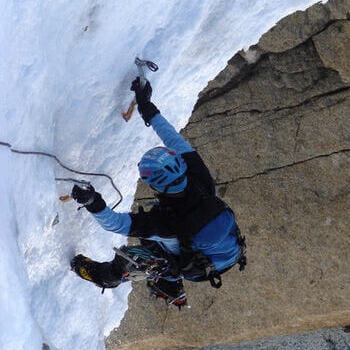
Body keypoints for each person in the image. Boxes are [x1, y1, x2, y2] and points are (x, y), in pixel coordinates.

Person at [70, 77, 246, 307]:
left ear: (156, 186)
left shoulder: (162, 223)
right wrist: (146, 106)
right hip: (228, 251)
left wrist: (93, 201)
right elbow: (172, 138)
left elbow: (115, 224)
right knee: (159, 242)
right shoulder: (201, 181)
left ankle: (109, 278)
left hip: (196, 267)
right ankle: (170, 278)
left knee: (138, 256)